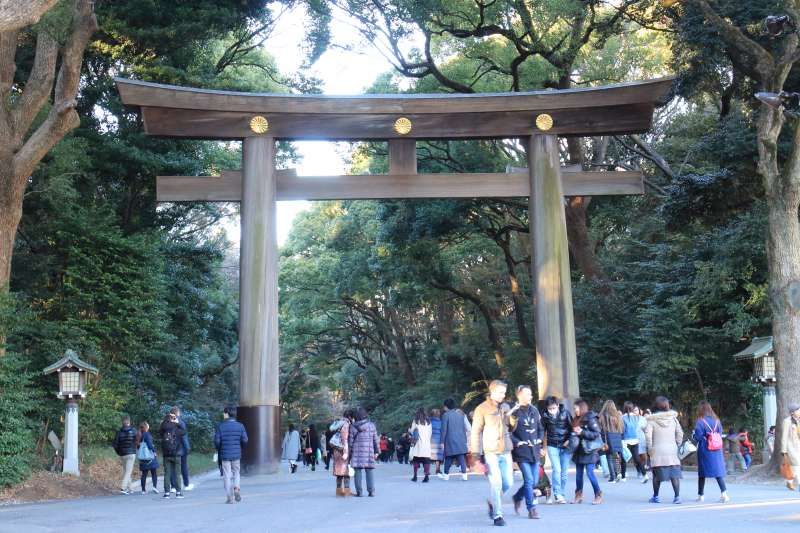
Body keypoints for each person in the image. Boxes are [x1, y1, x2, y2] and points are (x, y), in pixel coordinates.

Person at [470, 380, 514, 526]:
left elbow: (512, 428)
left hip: (506, 450)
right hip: (491, 451)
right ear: (493, 391)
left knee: (508, 482)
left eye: (505, 393)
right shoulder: (481, 409)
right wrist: (475, 456)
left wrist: (512, 418)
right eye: (501, 392)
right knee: (496, 483)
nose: (503, 395)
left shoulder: (507, 406)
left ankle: (495, 503)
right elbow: (475, 432)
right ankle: (498, 516)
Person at [509, 385, 544, 520]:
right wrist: (517, 441)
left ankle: (517, 497)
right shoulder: (514, 412)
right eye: (527, 394)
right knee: (529, 480)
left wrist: (539, 440)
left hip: (534, 450)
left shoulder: (535, 410)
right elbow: (507, 431)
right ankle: (532, 509)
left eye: (530, 394)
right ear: (520, 395)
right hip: (522, 451)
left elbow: (540, 429)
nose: (530, 396)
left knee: (534, 480)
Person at [646, 396, 683, 504]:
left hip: (657, 451)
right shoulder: (673, 419)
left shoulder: (651, 420)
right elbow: (680, 433)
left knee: (657, 475)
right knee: (674, 474)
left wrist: (650, 449)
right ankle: (677, 497)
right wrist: (677, 444)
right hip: (672, 450)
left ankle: (656, 497)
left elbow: (648, 437)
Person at [692, 400, 729, 503]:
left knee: (702, 473)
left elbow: (698, 437)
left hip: (705, 449)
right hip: (717, 449)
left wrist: (694, 435)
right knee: (718, 473)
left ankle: (701, 495)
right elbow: (720, 433)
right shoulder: (717, 420)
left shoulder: (700, 421)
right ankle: (724, 494)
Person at [571, 398, 603, 505]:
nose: (575, 410)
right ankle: (578, 495)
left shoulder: (590, 418)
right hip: (579, 450)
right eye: (574, 408)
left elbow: (596, 434)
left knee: (590, 473)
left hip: (590, 450)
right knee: (578, 475)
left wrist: (582, 432)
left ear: (581, 408)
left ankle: (598, 494)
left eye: (576, 408)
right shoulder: (576, 419)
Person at [214, 406, 249, 504]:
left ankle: (229, 497)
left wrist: (219, 448)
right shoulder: (240, 426)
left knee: (227, 475)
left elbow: (217, 441)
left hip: (224, 454)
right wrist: (240, 447)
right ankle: (237, 489)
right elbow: (245, 440)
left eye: (224, 413)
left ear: (226, 414)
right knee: (236, 473)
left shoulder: (220, 426)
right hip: (236, 454)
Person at [542, 396, 572, 504]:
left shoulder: (566, 413)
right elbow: (542, 431)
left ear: (558, 406)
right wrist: (542, 447)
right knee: (557, 469)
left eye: (554, 408)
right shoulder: (545, 416)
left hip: (565, 445)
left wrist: (569, 440)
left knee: (564, 472)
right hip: (552, 445)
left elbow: (572, 428)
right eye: (550, 409)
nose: (552, 411)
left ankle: (561, 493)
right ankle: (557, 494)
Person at [349, 407, 380, 497]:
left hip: (357, 452)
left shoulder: (353, 426)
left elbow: (350, 441)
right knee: (369, 471)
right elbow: (376, 440)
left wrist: (349, 453)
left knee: (357, 471)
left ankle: (359, 492)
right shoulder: (371, 425)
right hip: (369, 452)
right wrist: (377, 451)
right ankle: (371, 491)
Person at [440, 398, 470, 481]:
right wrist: (465, 439)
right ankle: (464, 475)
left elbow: (444, 429)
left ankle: (446, 475)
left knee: (449, 457)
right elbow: (463, 427)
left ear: (446, 406)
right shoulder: (460, 414)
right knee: (461, 457)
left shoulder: (446, 415)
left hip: (450, 439)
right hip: (461, 438)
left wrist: (442, 442)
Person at [159, 411, 186, 499]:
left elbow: (160, 432)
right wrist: (178, 423)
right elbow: (184, 432)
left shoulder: (163, 428)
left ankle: (167, 493)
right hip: (176, 453)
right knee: (177, 473)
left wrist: (164, 421)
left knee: (167, 473)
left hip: (166, 454)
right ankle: (178, 492)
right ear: (173, 418)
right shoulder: (177, 428)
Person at [598, 400, 625, 483]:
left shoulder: (603, 416)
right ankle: (618, 473)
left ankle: (613, 477)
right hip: (617, 437)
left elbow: (600, 428)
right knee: (616, 456)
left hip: (607, 438)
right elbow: (622, 429)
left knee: (609, 457)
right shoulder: (617, 416)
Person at [622, 402, 648, 482]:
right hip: (635, 439)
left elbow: (622, 429)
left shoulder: (622, 417)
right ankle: (644, 474)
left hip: (625, 439)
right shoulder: (637, 417)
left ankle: (623, 476)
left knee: (624, 457)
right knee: (637, 458)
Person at [331, 409, 354, 497]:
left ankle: (338, 491)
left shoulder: (338, 423)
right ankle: (347, 491)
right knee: (345, 471)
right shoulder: (346, 424)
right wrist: (345, 452)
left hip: (336, 449)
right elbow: (344, 439)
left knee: (338, 471)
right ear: (350, 417)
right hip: (343, 450)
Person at [112, 415, 138, 495]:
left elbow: (115, 445)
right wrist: (135, 448)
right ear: (129, 422)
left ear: (122, 422)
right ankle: (123, 488)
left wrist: (119, 452)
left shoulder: (119, 432)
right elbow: (137, 440)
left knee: (127, 471)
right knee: (128, 471)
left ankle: (130, 488)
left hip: (123, 454)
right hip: (131, 454)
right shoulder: (134, 430)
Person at [171, 406, 193, 491]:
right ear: (178, 413)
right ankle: (186, 484)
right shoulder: (181, 422)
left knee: (172, 467)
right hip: (181, 448)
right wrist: (187, 447)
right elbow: (184, 436)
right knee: (183, 466)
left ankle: (173, 487)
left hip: (170, 447)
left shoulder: (167, 422)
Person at [135, 421, 159, 495]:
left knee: (144, 474)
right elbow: (149, 445)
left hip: (143, 458)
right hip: (149, 457)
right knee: (154, 473)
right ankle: (154, 487)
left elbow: (138, 446)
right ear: (146, 427)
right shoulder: (147, 434)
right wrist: (154, 451)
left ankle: (143, 490)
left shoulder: (140, 435)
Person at [409, 408, 433, 482]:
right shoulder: (429, 422)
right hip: (426, 444)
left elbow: (412, 432)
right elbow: (430, 433)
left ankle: (415, 476)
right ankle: (426, 477)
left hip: (418, 445)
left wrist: (409, 430)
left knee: (416, 460)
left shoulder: (416, 422)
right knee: (426, 461)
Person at [781, 403, 800, 491]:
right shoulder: (787, 421)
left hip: (798, 446)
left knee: (794, 466)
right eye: (798, 410)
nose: (799, 412)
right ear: (792, 412)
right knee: (797, 464)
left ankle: (789, 482)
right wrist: (783, 450)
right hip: (790, 446)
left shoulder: (798, 420)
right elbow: (784, 436)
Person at [430, 408, 444, 474]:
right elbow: (442, 431)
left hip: (431, 440)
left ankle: (426, 470)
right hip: (438, 440)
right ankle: (437, 469)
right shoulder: (441, 422)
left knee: (428, 455)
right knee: (438, 456)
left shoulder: (429, 422)